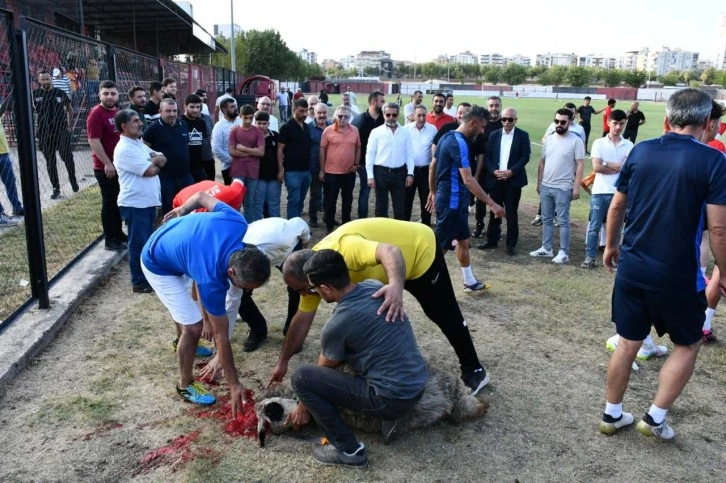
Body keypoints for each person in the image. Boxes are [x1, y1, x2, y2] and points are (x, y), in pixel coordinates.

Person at [598, 88, 726, 440]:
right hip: (677, 275)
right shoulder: (714, 160)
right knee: (689, 343)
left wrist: (611, 246)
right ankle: (654, 419)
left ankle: (611, 414)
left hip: (633, 268)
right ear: (705, 122)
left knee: (627, 342)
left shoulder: (641, 150)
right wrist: (724, 271)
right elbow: (718, 226)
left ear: (668, 119)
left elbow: (616, 206)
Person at [272, 218, 492, 396]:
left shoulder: (344, 248)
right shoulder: (314, 275)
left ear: (311, 280)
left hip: (418, 251)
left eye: (302, 289)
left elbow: (391, 252)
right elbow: (301, 321)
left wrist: (396, 286)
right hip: (386, 273)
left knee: (443, 314)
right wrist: (282, 362)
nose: (302, 295)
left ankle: (475, 370)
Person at [289, 249, 427, 468]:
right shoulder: (373, 286)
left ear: (326, 288)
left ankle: (349, 450)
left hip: (391, 399)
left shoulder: (338, 323)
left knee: (301, 378)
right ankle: (394, 417)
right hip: (418, 385)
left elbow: (325, 368)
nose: (314, 292)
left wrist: (302, 406)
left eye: (314, 288)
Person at [141, 192, 271, 409]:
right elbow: (222, 337)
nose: (248, 293)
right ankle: (185, 384)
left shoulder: (237, 222)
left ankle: (179, 341)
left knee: (186, 311)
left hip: (178, 244)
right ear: (231, 272)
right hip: (157, 261)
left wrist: (182, 210)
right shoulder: (211, 279)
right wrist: (234, 383)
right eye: (246, 288)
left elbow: (202, 196)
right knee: (193, 327)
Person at [426, 105, 505, 291]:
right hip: (452, 201)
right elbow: (468, 179)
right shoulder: (459, 143)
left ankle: (469, 281)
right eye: (482, 126)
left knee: (463, 240)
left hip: (455, 200)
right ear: (473, 123)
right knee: (442, 245)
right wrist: (492, 203)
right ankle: (426, 281)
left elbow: (433, 166)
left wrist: (433, 191)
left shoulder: (446, 136)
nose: (483, 130)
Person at [113, 109, 166, 293]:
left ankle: (146, 277)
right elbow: (150, 171)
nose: (140, 123)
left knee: (146, 242)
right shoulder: (125, 149)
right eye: (135, 121)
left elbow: (163, 158)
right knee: (138, 244)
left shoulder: (138, 144)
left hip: (146, 202)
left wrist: (156, 160)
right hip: (135, 204)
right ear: (124, 126)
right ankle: (139, 282)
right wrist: (155, 162)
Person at [530, 108, 585, 264]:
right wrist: (539, 182)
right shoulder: (550, 139)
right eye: (556, 121)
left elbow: (580, 164)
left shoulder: (576, 140)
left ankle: (563, 252)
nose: (559, 124)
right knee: (547, 219)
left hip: (564, 187)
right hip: (546, 186)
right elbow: (542, 161)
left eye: (562, 122)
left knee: (562, 221)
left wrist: (576, 187)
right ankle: (546, 248)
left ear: (570, 122)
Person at [582, 110, 632, 269]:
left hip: (619, 193)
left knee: (617, 228)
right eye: (615, 123)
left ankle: (613, 258)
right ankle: (590, 257)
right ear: (608, 122)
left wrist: (606, 163)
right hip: (600, 191)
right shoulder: (599, 143)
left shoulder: (629, 145)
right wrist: (617, 166)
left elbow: (627, 170)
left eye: (621, 124)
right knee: (594, 225)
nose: (618, 127)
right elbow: (596, 167)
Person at [480, 108, 531, 255]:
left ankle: (511, 244)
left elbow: (525, 156)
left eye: (510, 119)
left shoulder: (522, 135)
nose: (507, 122)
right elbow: (488, 157)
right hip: (495, 179)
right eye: (504, 119)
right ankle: (492, 240)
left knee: (511, 213)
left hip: (512, 180)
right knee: (494, 210)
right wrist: (493, 171)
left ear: (516, 120)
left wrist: (511, 172)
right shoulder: (494, 135)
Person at [87, 80, 126, 251]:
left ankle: (118, 233)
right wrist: (107, 163)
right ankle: (110, 239)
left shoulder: (117, 113)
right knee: (109, 203)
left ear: (117, 95)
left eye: (112, 93)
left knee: (118, 201)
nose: (109, 97)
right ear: (99, 95)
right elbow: (94, 141)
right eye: (106, 93)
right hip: (105, 167)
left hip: (119, 166)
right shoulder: (96, 114)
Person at [143, 98, 194, 215]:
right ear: (160, 111)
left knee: (189, 207)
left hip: (185, 175)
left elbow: (185, 145)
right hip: (166, 178)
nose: (172, 114)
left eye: (175, 111)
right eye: (168, 111)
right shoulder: (153, 129)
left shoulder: (183, 124)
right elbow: (144, 149)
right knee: (169, 211)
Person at [33, 70, 78, 200]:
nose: (46, 82)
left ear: (51, 79)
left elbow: (69, 109)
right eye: (43, 80)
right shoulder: (34, 95)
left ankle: (72, 179)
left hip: (61, 130)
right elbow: (30, 112)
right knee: (50, 162)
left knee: (67, 157)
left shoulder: (60, 93)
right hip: (44, 132)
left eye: (48, 79)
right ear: (39, 81)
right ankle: (56, 188)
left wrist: (70, 125)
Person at [366, 102, 414, 220]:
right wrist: (370, 176)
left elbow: (409, 154)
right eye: (388, 115)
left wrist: (410, 173)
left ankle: (398, 236)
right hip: (381, 173)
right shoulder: (376, 132)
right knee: (381, 208)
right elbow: (370, 154)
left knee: (399, 208)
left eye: (394, 115)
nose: (391, 117)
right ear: (383, 114)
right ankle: (382, 234)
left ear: (398, 115)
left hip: (400, 173)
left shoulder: (405, 132)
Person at [320, 105, 361, 233]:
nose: (343, 119)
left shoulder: (355, 130)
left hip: (349, 172)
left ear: (350, 118)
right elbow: (322, 150)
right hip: (331, 172)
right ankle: (329, 225)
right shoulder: (328, 130)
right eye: (340, 116)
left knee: (347, 200)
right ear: (335, 116)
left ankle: (345, 225)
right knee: (330, 200)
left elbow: (358, 147)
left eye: (346, 117)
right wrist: (322, 170)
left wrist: (356, 163)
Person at [473, 96, 504, 239]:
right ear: (487, 107)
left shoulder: (504, 125)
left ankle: (495, 229)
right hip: (483, 168)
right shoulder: (482, 124)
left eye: (496, 105)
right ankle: (479, 225)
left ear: (500, 107)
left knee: (497, 199)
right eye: (491, 105)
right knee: (480, 199)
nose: (494, 108)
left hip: (498, 170)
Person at [351, 91, 385, 219]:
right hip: (365, 165)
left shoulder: (384, 119)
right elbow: (353, 143)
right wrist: (357, 163)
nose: (384, 104)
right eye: (382, 101)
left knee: (381, 195)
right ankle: (362, 219)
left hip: (382, 164)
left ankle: (380, 220)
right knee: (365, 193)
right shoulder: (360, 121)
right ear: (373, 102)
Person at [229, 105, 265, 221]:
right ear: (240, 116)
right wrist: (252, 152)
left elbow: (261, 152)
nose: (248, 121)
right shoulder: (234, 131)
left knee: (250, 201)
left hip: (252, 171)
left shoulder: (257, 132)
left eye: (250, 118)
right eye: (245, 118)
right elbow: (232, 151)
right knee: (236, 200)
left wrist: (243, 148)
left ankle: (249, 225)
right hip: (237, 171)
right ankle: (236, 224)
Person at [278, 99, 312, 219]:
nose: (305, 114)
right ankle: (293, 227)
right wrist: (280, 170)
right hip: (292, 171)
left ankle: (298, 224)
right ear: (294, 110)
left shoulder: (307, 127)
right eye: (301, 111)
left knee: (301, 200)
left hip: (306, 171)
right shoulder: (286, 128)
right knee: (294, 200)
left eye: (306, 111)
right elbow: (280, 149)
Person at [403, 105, 436, 226]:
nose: (421, 118)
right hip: (409, 171)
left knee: (425, 201)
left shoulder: (432, 129)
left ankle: (426, 225)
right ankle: (404, 226)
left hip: (426, 171)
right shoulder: (406, 129)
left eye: (424, 115)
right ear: (413, 116)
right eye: (419, 115)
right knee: (407, 200)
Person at [254, 111, 282, 218]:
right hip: (258, 177)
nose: (261, 126)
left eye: (264, 123)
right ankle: (257, 230)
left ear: (268, 124)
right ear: (255, 123)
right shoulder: (251, 138)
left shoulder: (275, 136)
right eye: (259, 123)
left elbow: (280, 155)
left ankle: (276, 230)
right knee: (258, 205)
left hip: (273, 177)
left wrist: (280, 171)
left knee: (274, 205)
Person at [307, 103, 331, 228]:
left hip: (332, 167)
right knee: (315, 194)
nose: (322, 115)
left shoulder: (333, 126)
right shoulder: (308, 128)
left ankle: (328, 217)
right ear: (314, 113)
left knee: (329, 194)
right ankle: (313, 218)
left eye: (324, 113)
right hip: (314, 167)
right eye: (319, 113)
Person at [0, 97, 23, 225]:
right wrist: (11, 95)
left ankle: (17, 207)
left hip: (3, 152)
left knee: (10, 182)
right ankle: (0, 214)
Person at [212, 98, 241, 185]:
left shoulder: (241, 121)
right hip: (229, 167)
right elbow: (216, 149)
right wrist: (231, 160)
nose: (236, 109)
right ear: (224, 110)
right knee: (233, 195)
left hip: (244, 165)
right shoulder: (219, 126)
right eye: (232, 107)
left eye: (235, 106)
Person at [182, 94, 211, 183]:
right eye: (192, 107)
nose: (195, 110)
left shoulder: (201, 123)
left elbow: (203, 143)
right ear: (185, 107)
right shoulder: (180, 122)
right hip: (184, 168)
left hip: (199, 166)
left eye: (198, 107)